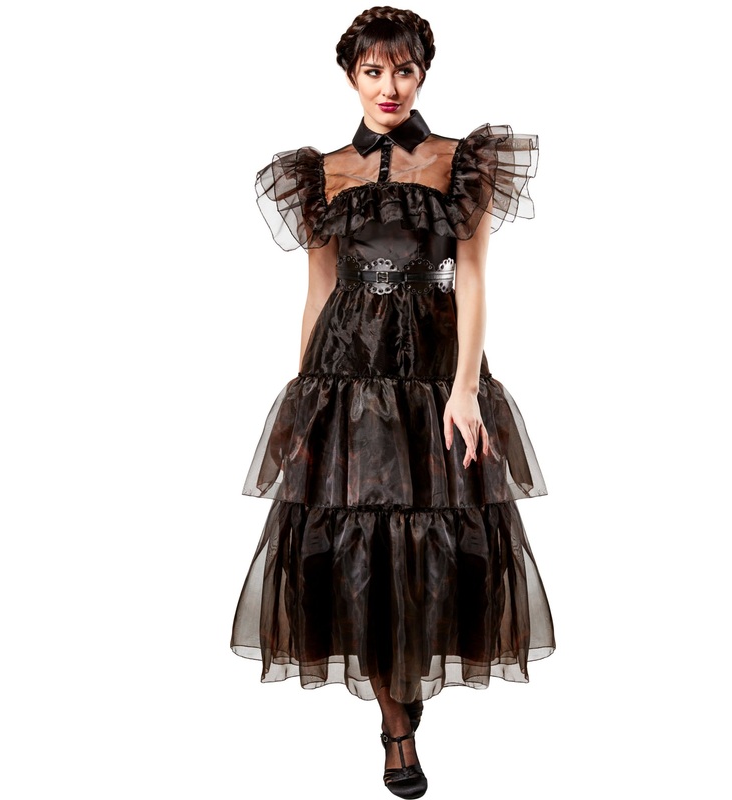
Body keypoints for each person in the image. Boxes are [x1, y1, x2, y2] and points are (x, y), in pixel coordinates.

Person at [231, 6, 556, 797]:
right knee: (359, 544)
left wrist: (466, 388)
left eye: (403, 70)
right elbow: (319, 291)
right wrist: (304, 402)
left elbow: (472, 277)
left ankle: (406, 691)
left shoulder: (460, 162)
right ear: (351, 76)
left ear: (422, 74)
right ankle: (397, 731)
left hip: (434, 367)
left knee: (434, 540)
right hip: (345, 370)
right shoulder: (321, 171)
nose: (389, 86)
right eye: (373, 71)